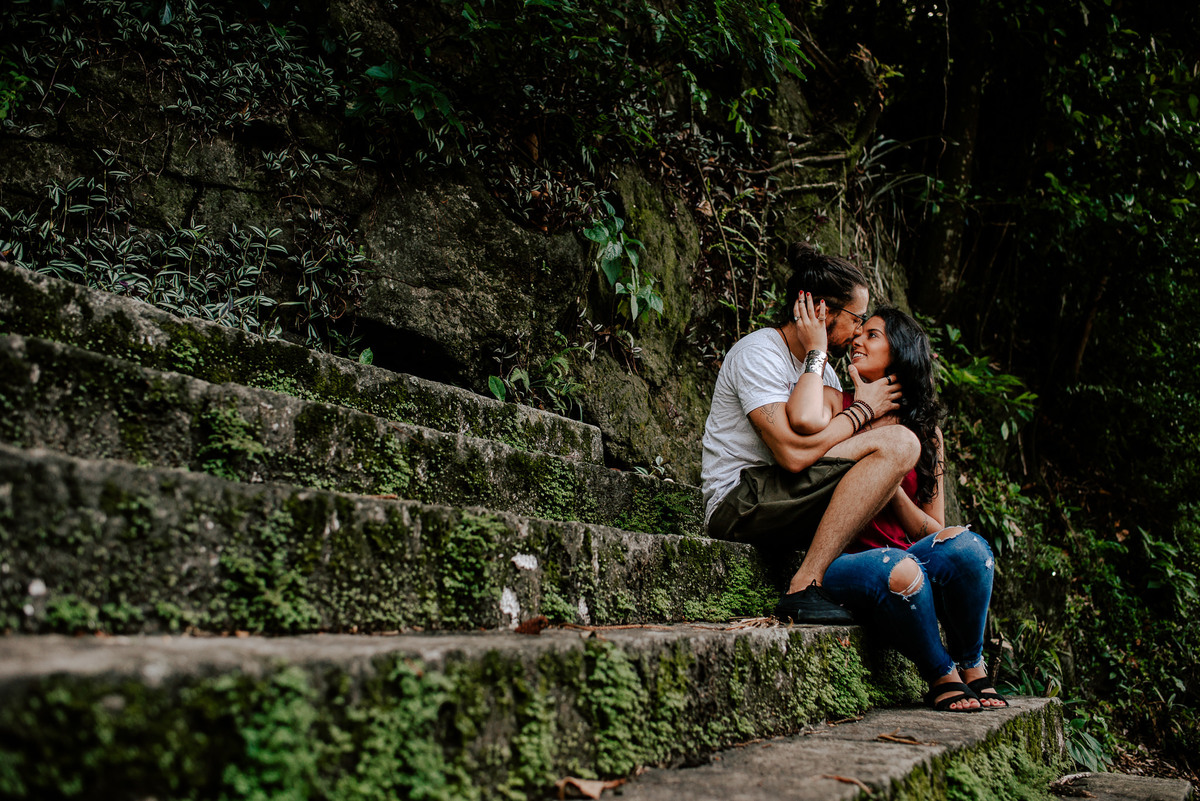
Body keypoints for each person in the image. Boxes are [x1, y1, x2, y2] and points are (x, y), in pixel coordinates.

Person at [791, 306, 1007, 712]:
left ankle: (971, 662)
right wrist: (867, 429)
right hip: (842, 560)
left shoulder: (928, 434)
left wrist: (888, 476)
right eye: (859, 333)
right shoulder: (836, 402)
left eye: (872, 335)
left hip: (908, 554)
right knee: (902, 570)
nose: (857, 340)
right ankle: (941, 672)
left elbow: (933, 530)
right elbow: (805, 454)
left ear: (901, 353)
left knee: (971, 551)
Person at [701, 243, 920, 623]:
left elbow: (823, 454)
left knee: (898, 441)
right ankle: (804, 585)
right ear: (822, 311)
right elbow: (793, 454)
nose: (857, 333)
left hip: (788, 495)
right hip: (739, 503)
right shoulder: (758, 353)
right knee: (897, 444)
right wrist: (863, 409)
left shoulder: (828, 376)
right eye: (856, 318)